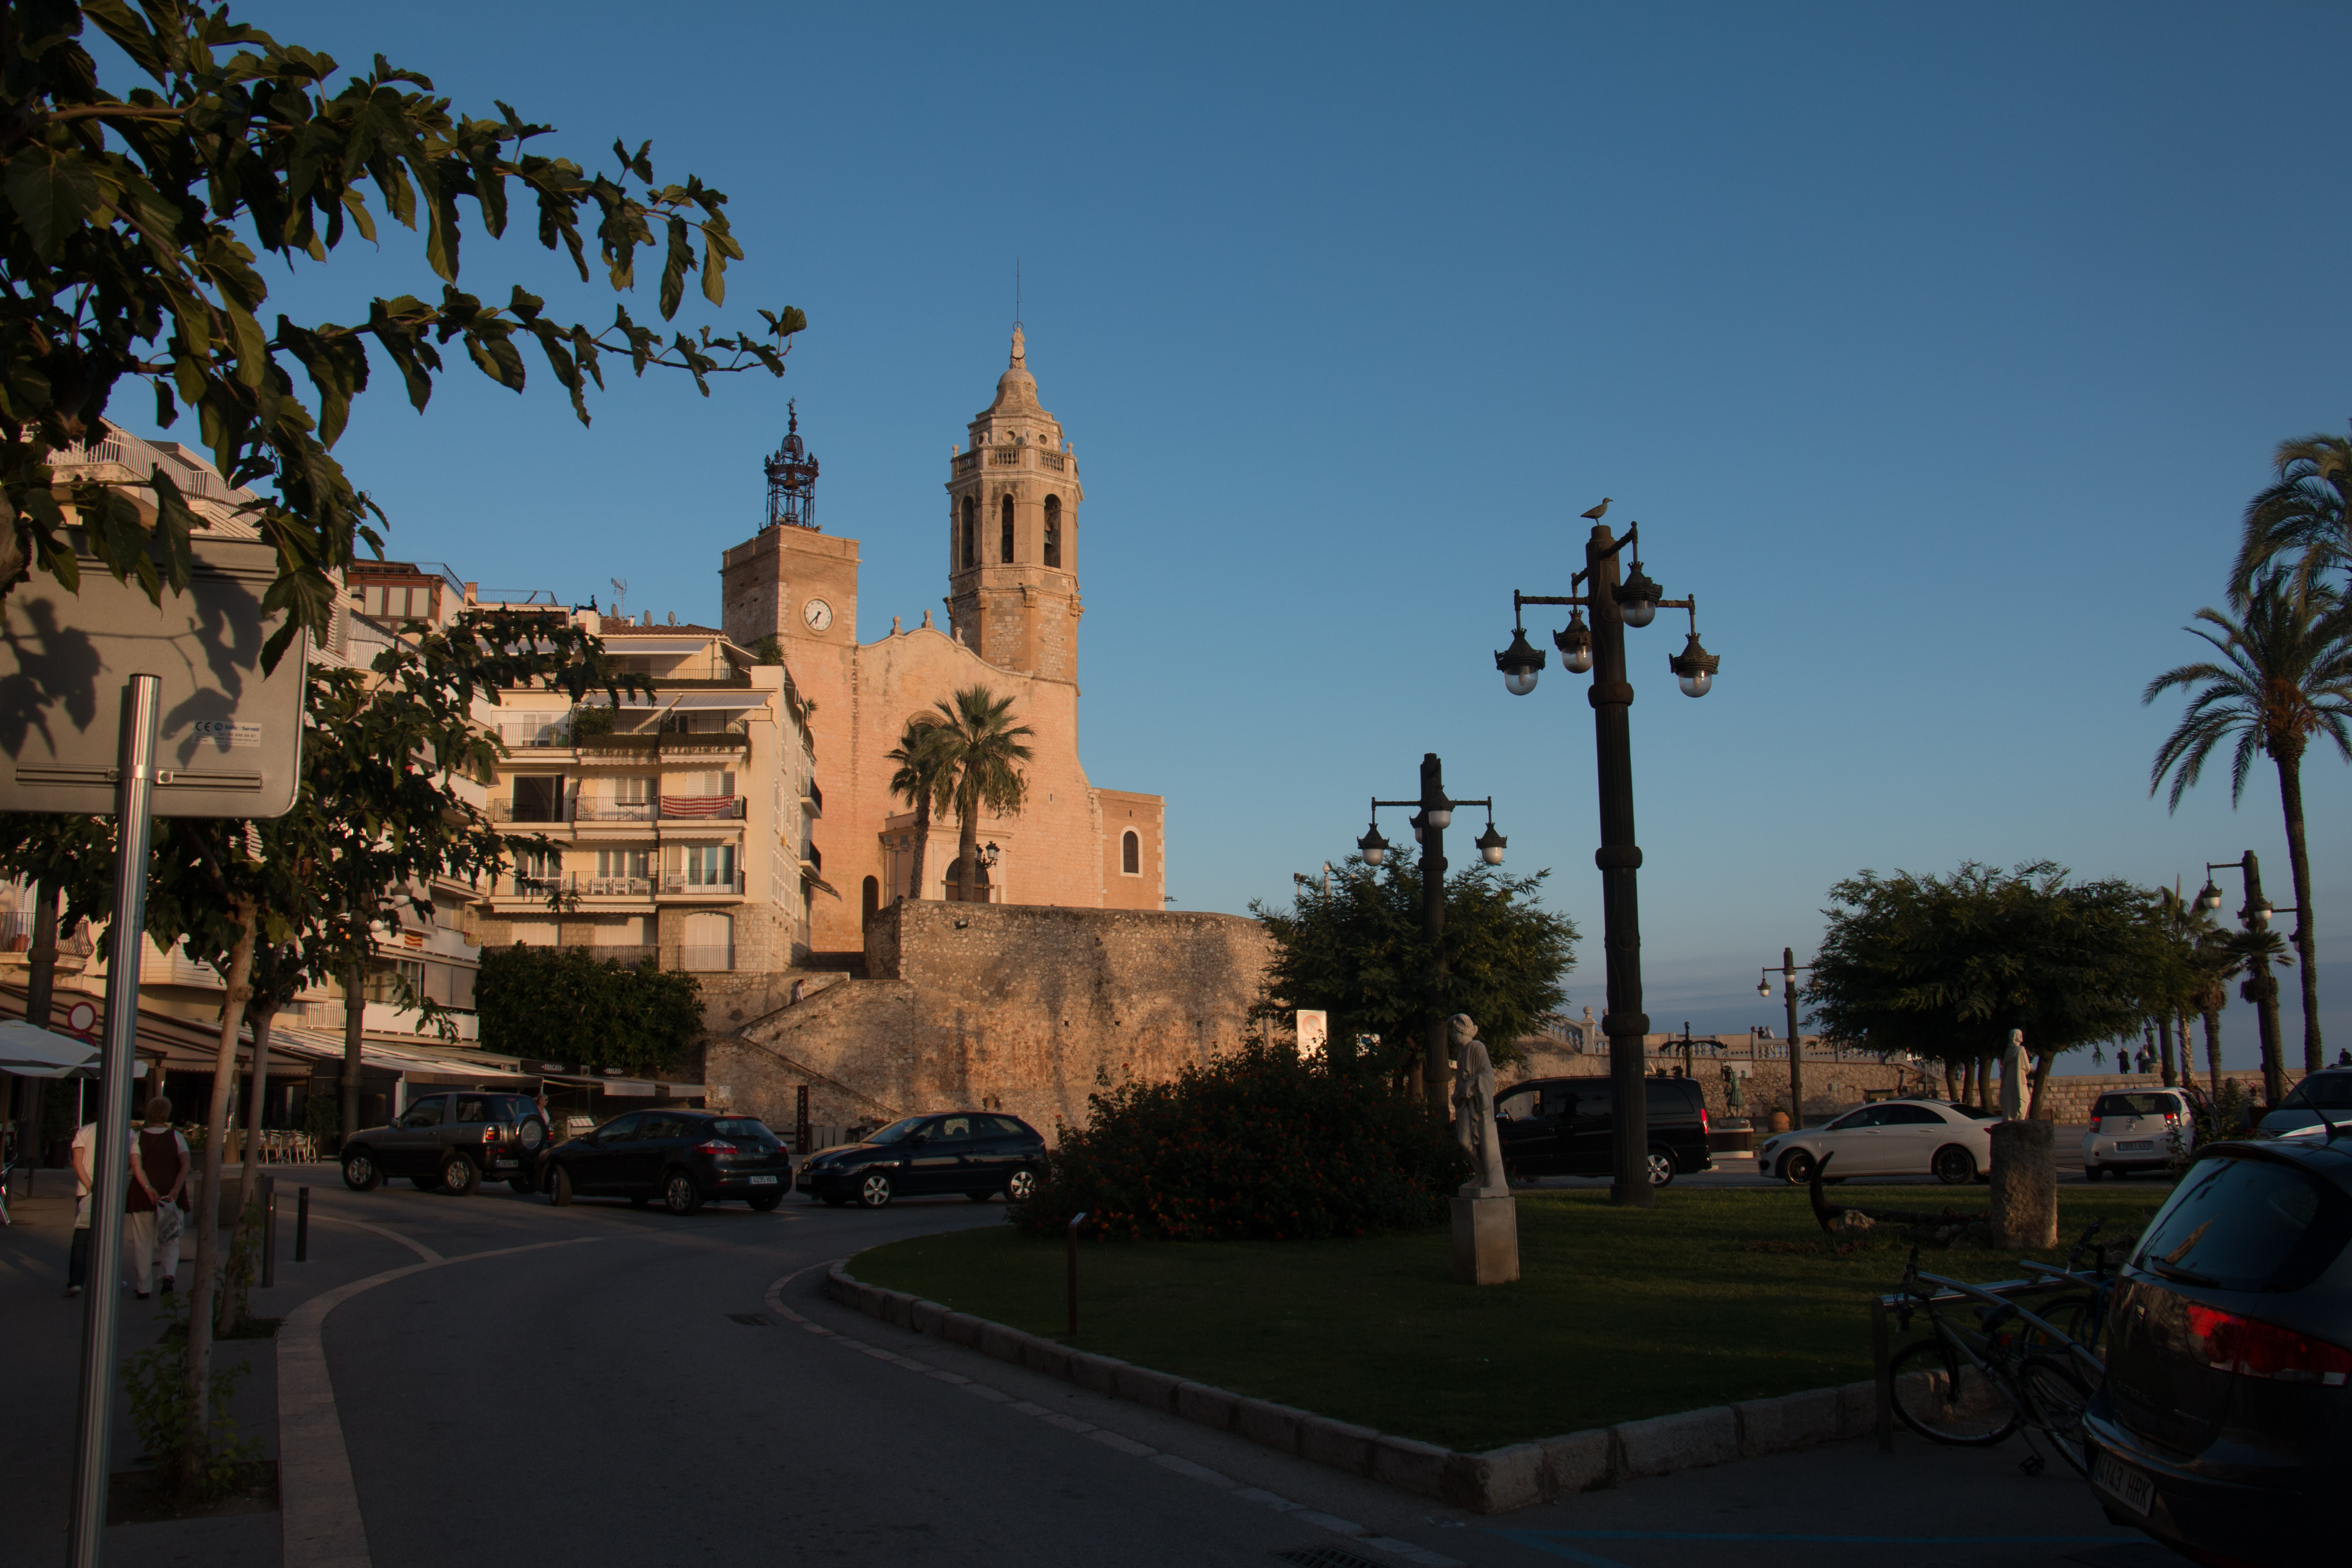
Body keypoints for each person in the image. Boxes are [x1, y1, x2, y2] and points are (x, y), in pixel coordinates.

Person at [124, 1098, 188, 1298]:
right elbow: (186, 1164)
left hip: (142, 1196)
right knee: (170, 1238)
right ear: (167, 1114)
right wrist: (176, 1188)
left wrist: (148, 1187)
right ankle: (169, 1274)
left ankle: (143, 1286)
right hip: (171, 1195)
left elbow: (136, 1165)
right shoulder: (176, 1137)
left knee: (143, 1241)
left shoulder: (138, 1137)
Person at [65, 1115, 96, 1296]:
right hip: (111, 1194)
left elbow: (77, 1162)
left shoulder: (85, 1131)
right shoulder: (126, 1133)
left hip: (86, 1192)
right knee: (109, 1238)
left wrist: (90, 1186)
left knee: (82, 1239)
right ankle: (108, 1278)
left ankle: (77, 1282)